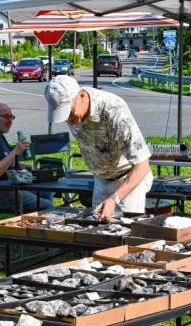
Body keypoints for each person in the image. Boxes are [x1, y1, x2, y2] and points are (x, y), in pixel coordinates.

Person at [44, 75, 152, 220]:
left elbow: (142, 165)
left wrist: (115, 198)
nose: (69, 120)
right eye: (63, 116)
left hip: (127, 180)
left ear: (81, 96)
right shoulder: (75, 107)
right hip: (100, 179)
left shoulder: (114, 109)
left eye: (70, 113)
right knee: (97, 231)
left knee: (123, 233)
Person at [0, 103, 53, 213]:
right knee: (47, 206)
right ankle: (39, 226)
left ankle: (34, 224)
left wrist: (24, 166)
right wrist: (15, 152)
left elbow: (6, 162)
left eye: (11, 117)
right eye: (5, 116)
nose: (10, 121)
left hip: (8, 188)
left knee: (46, 192)